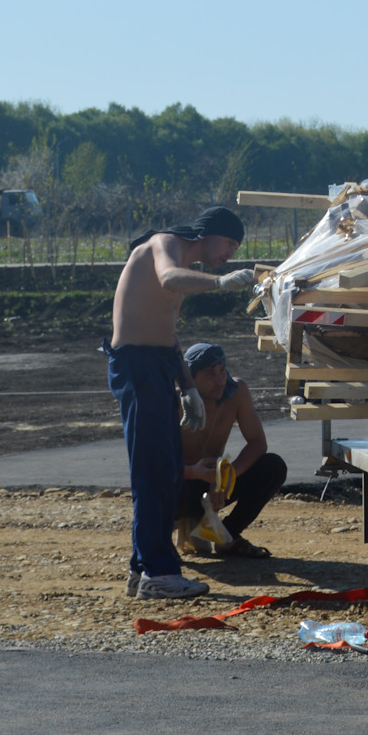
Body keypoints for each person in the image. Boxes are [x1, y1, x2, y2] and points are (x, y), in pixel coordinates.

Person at [107, 205, 258, 599]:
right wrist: (221, 282)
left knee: (167, 470)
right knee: (153, 473)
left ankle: (144, 569)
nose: (229, 254)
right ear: (208, 234)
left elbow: (168, 334)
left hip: (156, 365)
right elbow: (170, 277)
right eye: (228, 243)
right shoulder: (164, 243)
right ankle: (158, 573)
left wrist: (187, 385)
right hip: (137, 366)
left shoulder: (179, 262)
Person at [176, 341, 287, 559]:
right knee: (158, 484)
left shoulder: (236, 392)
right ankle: (161, 542)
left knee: (273, 466)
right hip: (180, 485)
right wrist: (195, 472)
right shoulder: (173, 401)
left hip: (214, 487)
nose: (219, 380)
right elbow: (154, 465)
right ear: (190, 378)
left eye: (222, 371)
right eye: (209, 374)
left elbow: (257, 442)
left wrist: (226, 477)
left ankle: (228, 534)